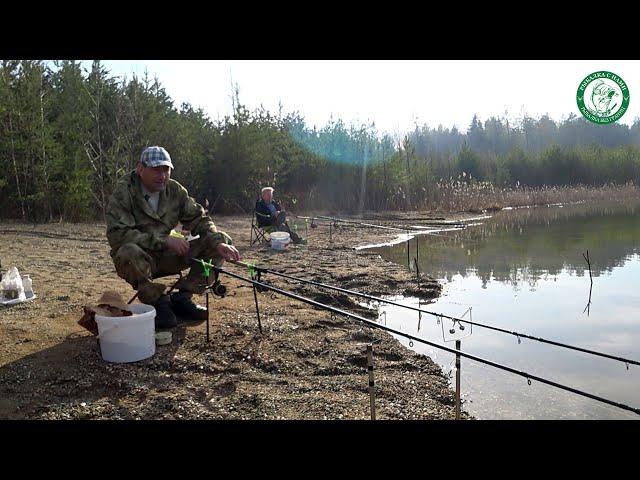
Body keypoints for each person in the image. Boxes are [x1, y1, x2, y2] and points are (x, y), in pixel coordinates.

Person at [105, 146, 241, 329]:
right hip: (140, 261)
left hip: (170, 256)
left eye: (166, 169)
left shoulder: (175, 190)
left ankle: (182, 298)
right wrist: (164, 240)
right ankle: (158, 303)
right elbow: (118, 236)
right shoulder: (124, 192)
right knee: (127, 251)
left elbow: (199, 219)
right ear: (140, 169)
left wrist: (218, 243)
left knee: (220, 240)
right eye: (155, 169)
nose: (162, 175)